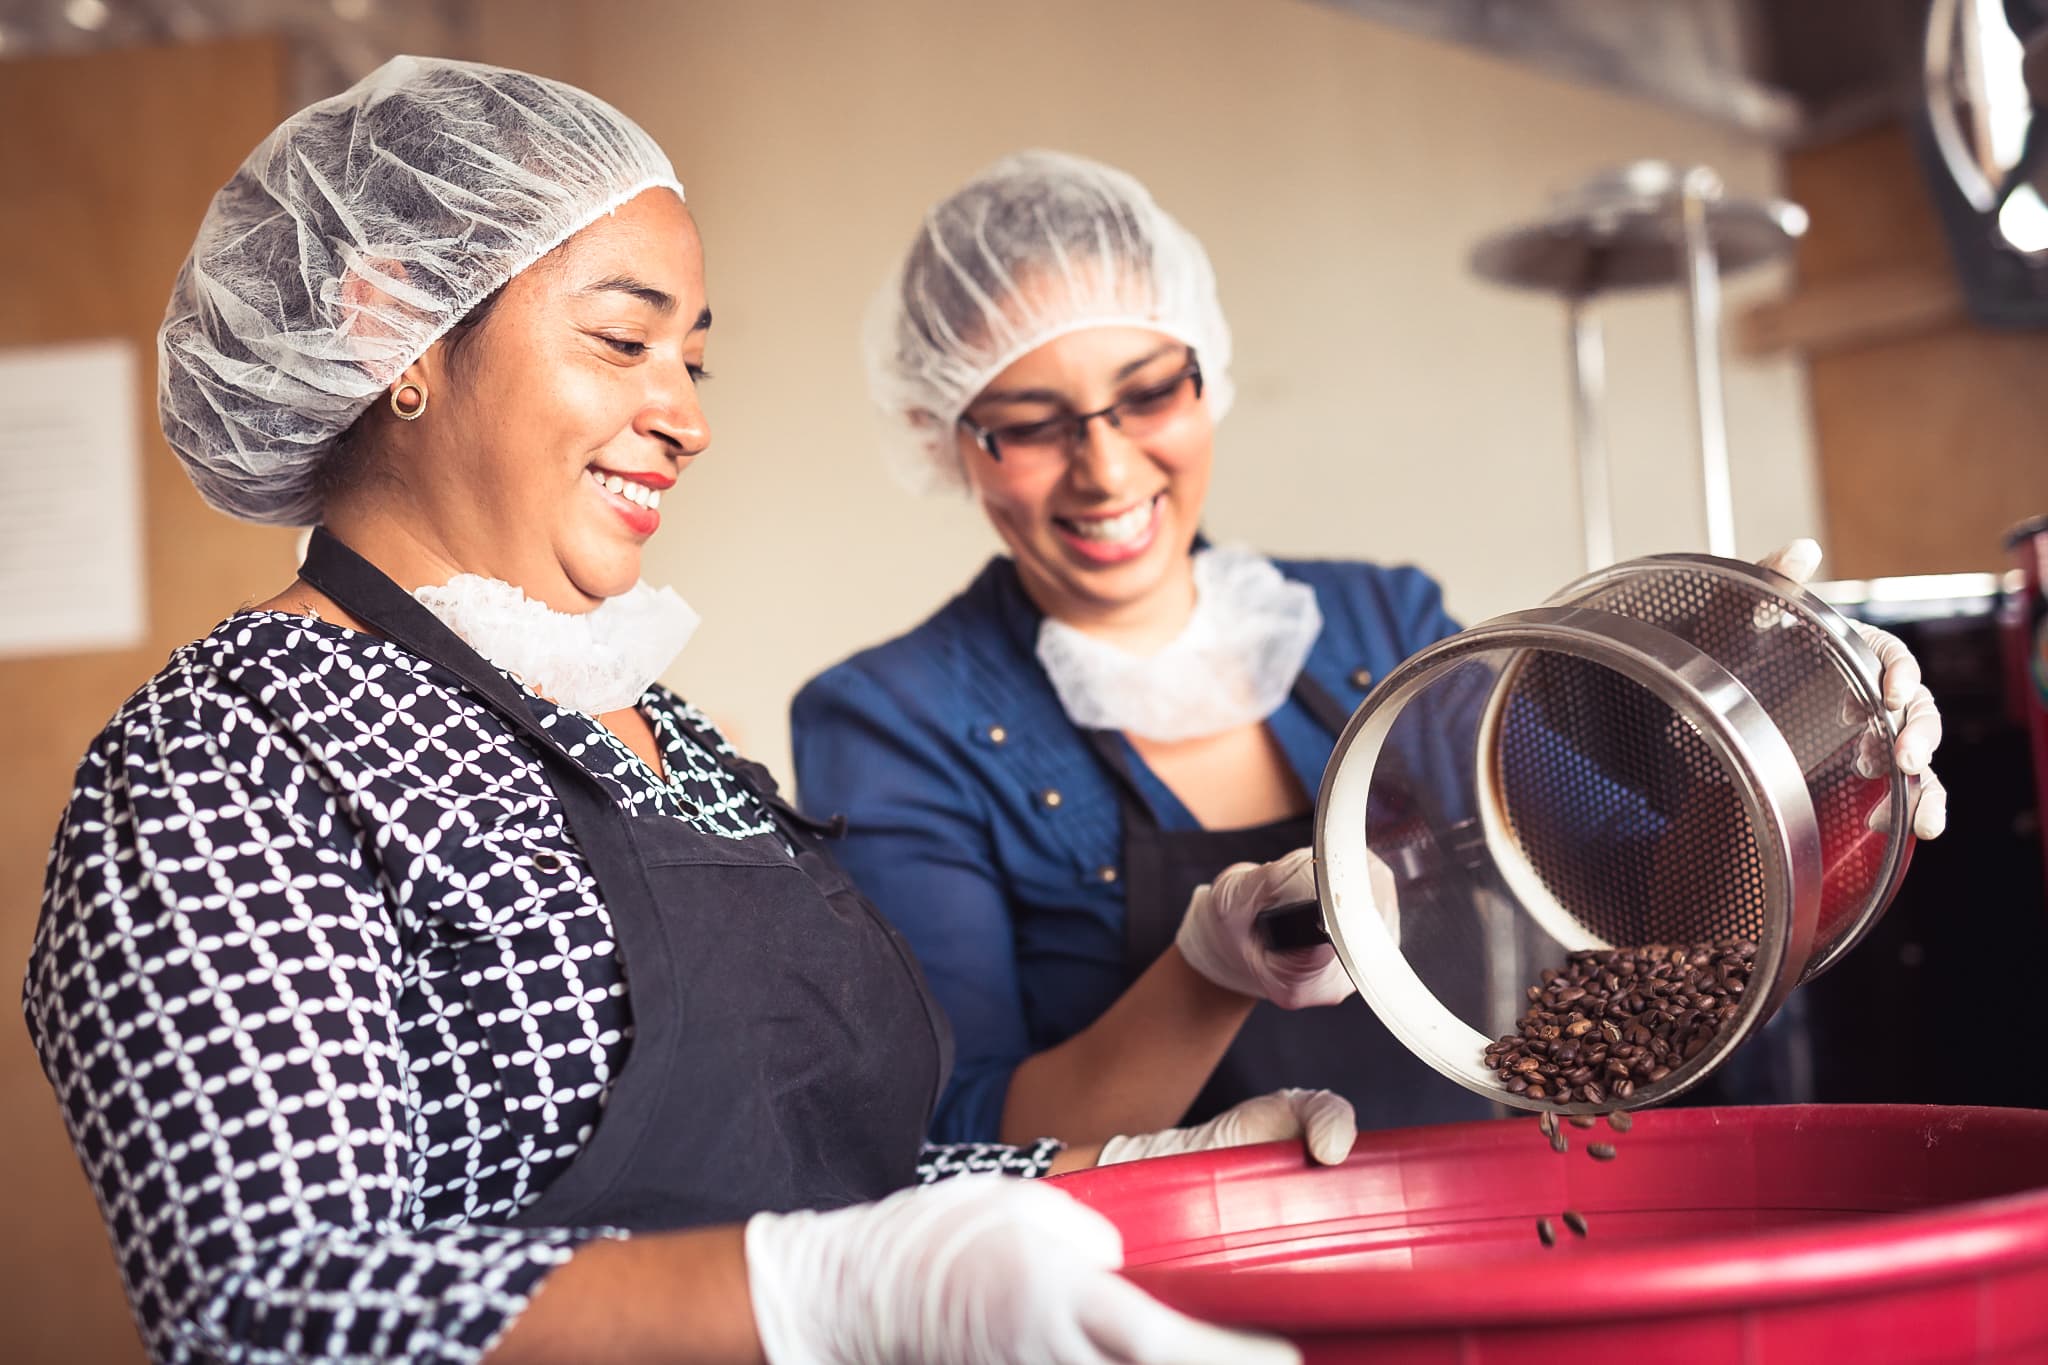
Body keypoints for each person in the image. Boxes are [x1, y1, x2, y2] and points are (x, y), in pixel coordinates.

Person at [20, 64, 1358, 1365]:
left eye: (693, 361)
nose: (686, 417)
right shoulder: (231, 748)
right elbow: (260, 1306)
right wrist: (825, 1297)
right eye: (622, 339)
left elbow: (834, 1170)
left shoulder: (669, 740)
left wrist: (1129, 1171)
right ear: (395, 330)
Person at [790, 150, 1951, 1149]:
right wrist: (1207, 974)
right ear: (946, 436)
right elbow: (954, 1136)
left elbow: (1663, 904)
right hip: (1151, 1304)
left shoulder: (1380, 627)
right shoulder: (889, 720)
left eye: (1148, 393)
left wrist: (1809, 755)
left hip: (1480, 1234)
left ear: (1206, 376)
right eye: (1031, 427)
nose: (1103, 469)